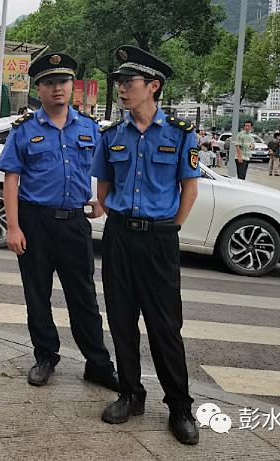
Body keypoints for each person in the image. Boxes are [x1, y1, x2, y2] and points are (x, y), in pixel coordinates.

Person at [92, 46, 200, 446]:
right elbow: (103, 187)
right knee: (121, 320)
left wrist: (171, 228)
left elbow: (189, 187)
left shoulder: (178, 132)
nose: (122, 88)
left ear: (152, 86)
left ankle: (180, 407)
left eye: (129, 82)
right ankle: (130, 394)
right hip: (120, 236)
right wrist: (110, 213)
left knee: (165, 326)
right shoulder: (111, 135)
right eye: (119, 82)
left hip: (158, 239)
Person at [0, 52, 119, 392]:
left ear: (72, 86)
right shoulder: (24, 130)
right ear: (39, 88)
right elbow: (11, 179)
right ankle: (45, 356)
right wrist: (14, 226)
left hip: (75, 224)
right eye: (50, 83)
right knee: (37, 295)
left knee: (84, 298)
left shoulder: (90, 129)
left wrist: (103, 202)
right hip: (35, 223)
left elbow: (110, 169)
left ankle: (98, 364)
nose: (57, 88)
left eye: (63, 81)